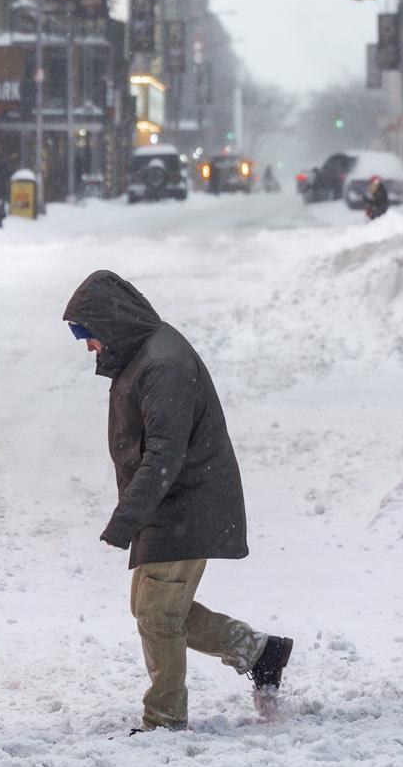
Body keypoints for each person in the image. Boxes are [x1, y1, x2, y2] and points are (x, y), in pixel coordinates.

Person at [62, 270, 294, 732]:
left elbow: (165, 455)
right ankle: (257, 651)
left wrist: (126, 519)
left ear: (111, 323)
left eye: (88, 334)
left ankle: (164, 719)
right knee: (153, 608)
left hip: (187, 502)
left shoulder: (161, 364)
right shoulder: (144, 355)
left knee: (157, 614)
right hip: (176, 502)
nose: (89, 347)